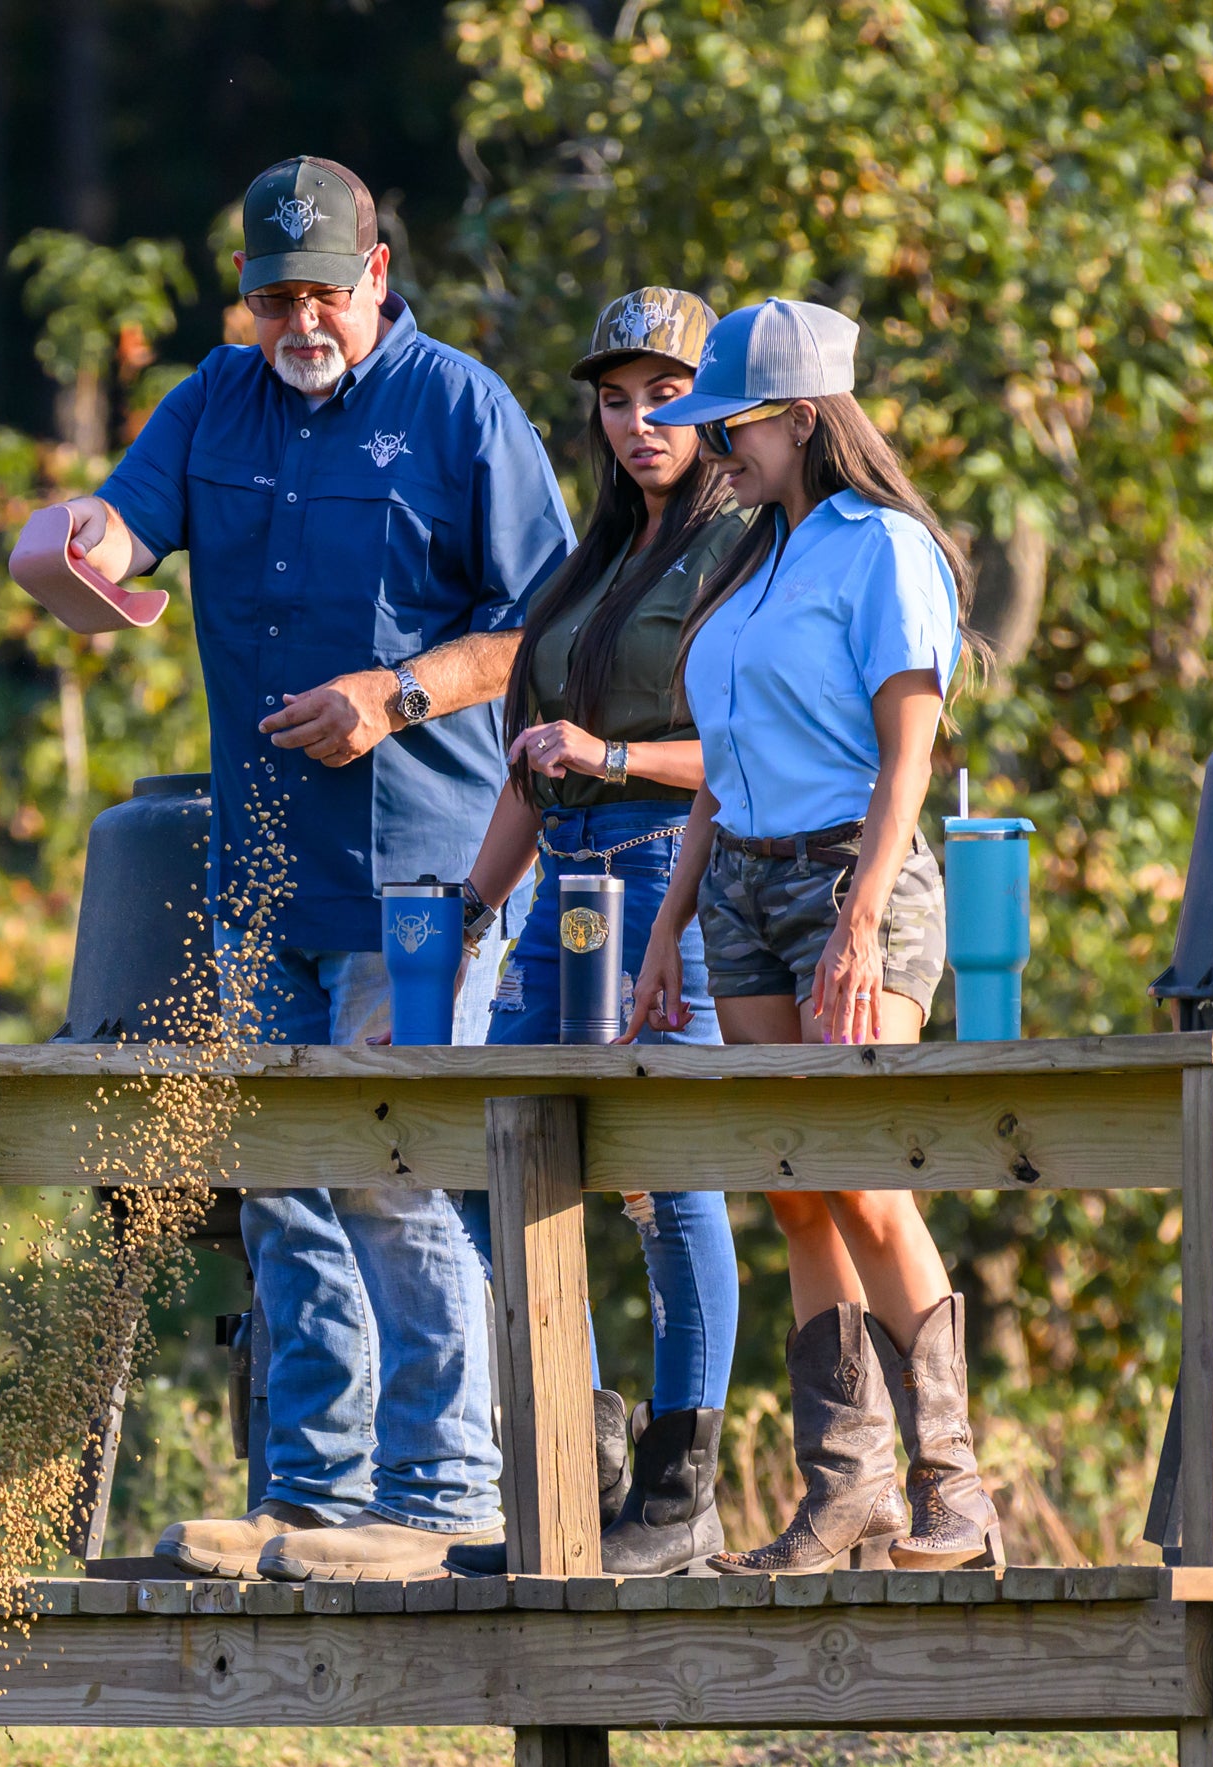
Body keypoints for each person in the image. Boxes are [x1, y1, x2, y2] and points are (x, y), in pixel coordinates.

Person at [19, 155, 573, 1581]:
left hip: (428, 874)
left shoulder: (462, 408)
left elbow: (544, 628)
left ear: (376, 275)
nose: (301, 321)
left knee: (391, 1168)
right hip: (258, 869)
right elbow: (126, 531)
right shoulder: (212, 399)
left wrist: (394, 694)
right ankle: (314, 1498)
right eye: (275, 300)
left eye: (324, 292)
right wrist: (76, 543)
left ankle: (443, 1495)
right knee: (275, 1174)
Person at [627, 297, 1002, 1573]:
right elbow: (719, 774)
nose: (706, 445)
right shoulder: (751, 559)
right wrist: (669, 928)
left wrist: (859, 921)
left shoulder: (882, 549)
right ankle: (849, 1492)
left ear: (796, 419)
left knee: (860, 1176)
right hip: (740, 888)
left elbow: (910, 756)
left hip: (855, 875)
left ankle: (955, 1488)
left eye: (725, 424)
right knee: (793, 1188)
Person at [448, 288, 746, 1577]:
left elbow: (753, 748)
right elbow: (535, 759)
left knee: (672, 1185)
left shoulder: (745, 546)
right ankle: (580, 1463)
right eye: (617, 402)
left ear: (716, 404)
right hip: (558, 890)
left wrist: (610, 753)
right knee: (485, 1161)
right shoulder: (598, 555)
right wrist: (470, 908)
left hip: (672, 877)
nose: (638, 424)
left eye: (665, 396)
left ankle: (680, 1499)